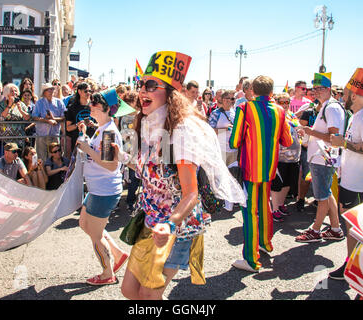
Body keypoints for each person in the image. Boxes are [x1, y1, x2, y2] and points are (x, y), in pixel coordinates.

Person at [118, 51, 245, 299]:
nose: (142, 90)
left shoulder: (182, 131)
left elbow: (192, 194)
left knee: (148, 295)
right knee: (129, 290)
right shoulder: (146, 124)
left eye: (151, 85)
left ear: (169, 93)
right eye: (141, 84)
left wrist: (169, 224)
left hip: (175, 225)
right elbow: (149, 172)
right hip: (149, 219)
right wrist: (119, 157)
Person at [229, 75, 293, 273]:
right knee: (265, 206)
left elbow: (234, 141)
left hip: (250, 169)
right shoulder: (280, 111)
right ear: (271, 92)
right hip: (269, 168)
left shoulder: (245, 108)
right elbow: (288, 141)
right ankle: (265, 243)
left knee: (250, 211)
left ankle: (251, 259)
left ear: (253, 91)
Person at [76, 88, 133, 286]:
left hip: (104, 190)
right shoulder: (103, 128)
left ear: (106, 109)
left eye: (94, 104)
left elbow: (110, 165)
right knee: (84, 224)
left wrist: (87, 149)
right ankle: (117, 255)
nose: (90, 106)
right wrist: (85, 136)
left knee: (95, 234)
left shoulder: (108, 132)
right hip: (98, 189)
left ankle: (107, 273)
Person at [328, 68, 363, 280]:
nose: (342, 97)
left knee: (356, 227)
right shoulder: (356, 116)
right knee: (351, 225)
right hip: (351, 180)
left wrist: (344, 143)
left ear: (353, 94)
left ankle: (355, 267)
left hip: (359, 183)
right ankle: (353, 264)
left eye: (345, 93)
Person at [295, 72, 345, 243]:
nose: (316, 91)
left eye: (320, 88)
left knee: (321, 196)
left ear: (329, 89)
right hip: (322, 158)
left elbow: (334, 137)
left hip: (323, 158)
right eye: (314, 88)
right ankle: (336, 228)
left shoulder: (331, 107)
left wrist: (310, 132)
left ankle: (315, 230)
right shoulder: (326, 106)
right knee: (326, 193)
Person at [271, 92, 301, 220]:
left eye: (287, 102)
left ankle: (281, 205)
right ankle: (275, 208)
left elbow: (297, 126)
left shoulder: (291, 115)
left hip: (294, 156)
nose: (285, 105)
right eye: (281, 102)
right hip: (280, 155)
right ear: (276, 102)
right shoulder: (275, 115)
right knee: (278, 183)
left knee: (288, 183)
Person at [295, 99, 322, 212]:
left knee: (320, 177)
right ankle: (301, 199)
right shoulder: (308, 113)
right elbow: (300, 129)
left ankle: (318, 199)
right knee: (306, 176)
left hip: (322, 151)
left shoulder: (330, 114)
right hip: (307, 149)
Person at [0, 83, 31, 160]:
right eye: (12, 91)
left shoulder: (21, 105)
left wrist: (20, 109)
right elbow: (1, 118)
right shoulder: (1, 104)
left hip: (19, 139)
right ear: (7, 93)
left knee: (18, 160)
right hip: (5, 140)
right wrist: (9, 105)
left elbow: (27, 118)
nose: (14, 93)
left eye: (15, 91)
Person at [32, 83, 66, 161]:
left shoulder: (59, 102)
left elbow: (64, 117)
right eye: (48, 89)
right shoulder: (39, 103)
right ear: (44, 92)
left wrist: (54, 119)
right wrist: (46, 120)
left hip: (54, 134)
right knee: (42, 158)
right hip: (41, 134)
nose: (51, 91)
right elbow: (34, 116)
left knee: (55, 158)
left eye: (52, 89)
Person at [64, 82, 95, 159]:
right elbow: (68, 128)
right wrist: (78, 124)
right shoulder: (72, 107)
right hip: (78, 142)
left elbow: (100, 125)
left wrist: (93, 124)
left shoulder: (94, 106)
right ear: (79, 91)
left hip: (92, 141)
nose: (88, 93)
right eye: (86, 91)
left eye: (89, 91)